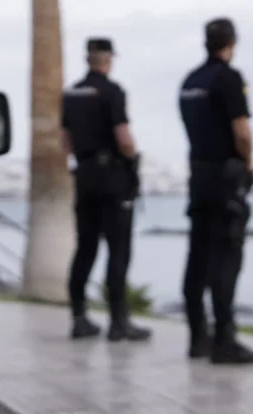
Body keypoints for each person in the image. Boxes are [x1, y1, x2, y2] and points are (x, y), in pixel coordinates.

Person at [178, 18, 253, 364]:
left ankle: (198, 336)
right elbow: (241, 131)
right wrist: (247, 164)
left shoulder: (190, 81)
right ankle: (224, 339)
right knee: (226, 256)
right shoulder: (228, 78)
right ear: (232, 42)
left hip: (198, 176)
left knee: (197, 256)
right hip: (224, 177)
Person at [63, 38, 151, 342]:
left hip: (84, 176)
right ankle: (118, 321)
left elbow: (66, 141)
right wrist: (132, 161)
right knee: (118, 249)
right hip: (112, 178)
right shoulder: (112, 92)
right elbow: (123, 137)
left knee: (85, 248)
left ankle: (78, 317)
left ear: (88, 59)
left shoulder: (70, 94)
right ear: (108, 59)